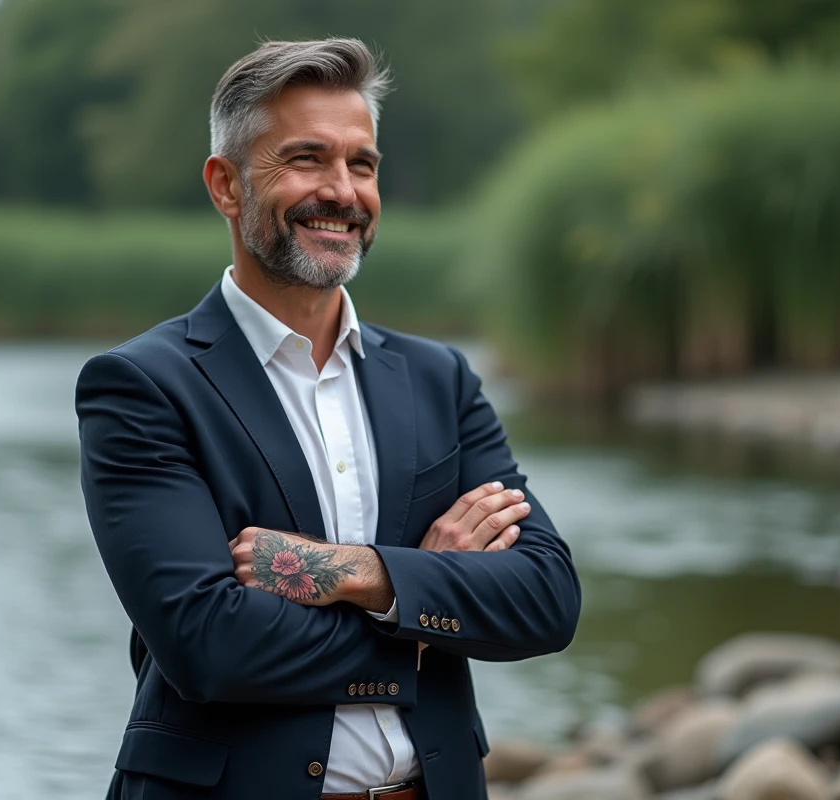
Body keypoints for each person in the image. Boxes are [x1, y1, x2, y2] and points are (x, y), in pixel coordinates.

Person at [76, 38, 581, 800]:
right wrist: (430, 599)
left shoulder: (439, 379)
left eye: (363, 164)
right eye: (306, 159)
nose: (342, 192)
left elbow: (545, 600)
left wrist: (359, 574)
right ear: (226, 185)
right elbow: (209, 646)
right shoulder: (144, 386)